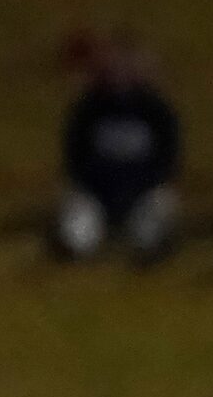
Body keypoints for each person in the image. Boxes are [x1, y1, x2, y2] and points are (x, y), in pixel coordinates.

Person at [55, 36, 182, 265]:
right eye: (113, 67)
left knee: (156, 211)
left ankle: (149, 249)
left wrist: (143, 184)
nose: (119, 74)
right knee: (79, 217)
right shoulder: (88, 109)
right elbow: (74, 156)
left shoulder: (155, 109)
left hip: (143, 190)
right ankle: (74, 246)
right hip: (97, 191)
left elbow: (169, 157)